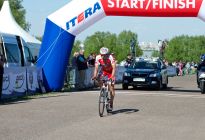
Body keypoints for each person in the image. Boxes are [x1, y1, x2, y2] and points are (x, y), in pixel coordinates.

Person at [92, 47, 116, 111]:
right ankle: (102, 90)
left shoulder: (111, 57)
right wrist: (94, 75)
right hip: (104, 71)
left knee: (111, 88)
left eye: (105, 55)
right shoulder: (98, 57)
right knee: (97, 78)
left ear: (108, 54)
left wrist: (112, 77)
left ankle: (111, 102)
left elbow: (114, 68)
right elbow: (96, 68)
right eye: (102, 55)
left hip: (111, 72)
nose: (103, 56)